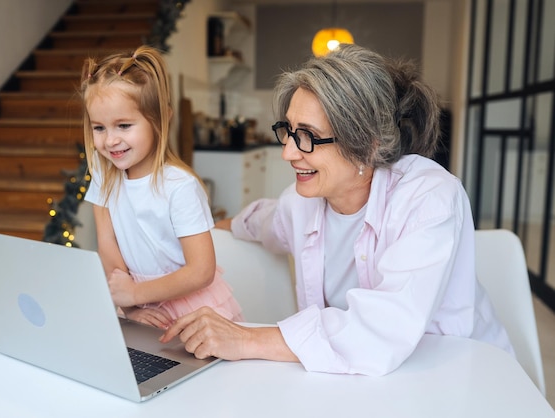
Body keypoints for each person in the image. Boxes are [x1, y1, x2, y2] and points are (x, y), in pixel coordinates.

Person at [160, 43, 513, 376]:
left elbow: (384, 328)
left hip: (457, 376)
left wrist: (247, 338)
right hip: (359, 383)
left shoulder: (429, 197)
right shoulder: (301, 203)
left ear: (368, 146)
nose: (289, 153)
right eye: (288, 131)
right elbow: (259, 221)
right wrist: (202, 232)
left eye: (309, 136)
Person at [81, 46, 243, 329]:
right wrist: (130, 306)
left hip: (190, 306)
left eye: (123, 125)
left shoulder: (180, 187)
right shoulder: (103, 173)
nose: (110, 141)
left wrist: (134, 293)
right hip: (137, 303)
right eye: (99, 128)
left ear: (161, 119)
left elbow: (201, 271)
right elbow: (106, 242)